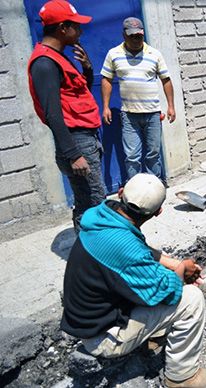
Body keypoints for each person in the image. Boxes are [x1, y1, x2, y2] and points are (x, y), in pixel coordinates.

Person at [60, 173, 206, 388]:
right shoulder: (127, 250)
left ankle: (154, 334)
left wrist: (175, 264)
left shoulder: (100, 216)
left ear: (120, 194)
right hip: (102, 339)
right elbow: (168, 290)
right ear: (158, 212)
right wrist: (182, 271)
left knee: (153, 276)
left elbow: (137, 252)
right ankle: (182, 377)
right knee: (191, 299)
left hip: (90, 319)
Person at [27, 0, 105, 233]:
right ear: (63, 28)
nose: (80, 31)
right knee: (94, 201)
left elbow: (77, 96)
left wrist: (88, 69)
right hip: (76, 141)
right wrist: (73, 154)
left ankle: (91, 254)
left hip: (84, 138)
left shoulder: (59, 56)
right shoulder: (44, 63)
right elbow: (52, 113)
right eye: (76, 26)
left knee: (88, 200)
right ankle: (93, 256)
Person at [101, 17, 175, 182]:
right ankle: (135, 190)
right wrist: (105, 106)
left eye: (139, 36)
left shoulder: (154, 54)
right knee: (132, 156)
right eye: (132, 36)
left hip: (153, 114)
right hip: (129, 115)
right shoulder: (114, 54)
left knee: (153, 153)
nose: (136, 39)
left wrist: (171, 106)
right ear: (124, 35)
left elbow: (166, 80)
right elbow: (106, 79)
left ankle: (154, 186)